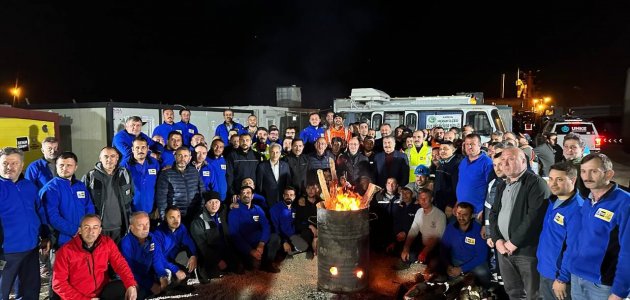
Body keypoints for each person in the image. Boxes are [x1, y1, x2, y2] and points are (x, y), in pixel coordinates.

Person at [489, 146, 550, 300]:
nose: (505, 163)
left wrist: (513, 243)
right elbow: (494, 213)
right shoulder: (503, 184)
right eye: (502, 160)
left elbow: (534, 217)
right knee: (513, 292)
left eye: (511, 159)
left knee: (533, 294)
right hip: (503, 251)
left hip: (526, 252)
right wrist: (498, 240)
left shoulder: (536, 183)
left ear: (524, 161)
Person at [566, 153, 629, 300]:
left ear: (609, 174)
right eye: (583, 171)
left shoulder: (624, 204)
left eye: (594, 171)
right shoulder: (588, 200)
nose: (587, 176)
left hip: (603, 285)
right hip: (577, 277)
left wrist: (620, 291)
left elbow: (628, 251)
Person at [0, 147, 50, 300]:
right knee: (2, 292)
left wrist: (45, 235)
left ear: (22, 165)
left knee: (30, 291)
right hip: (6, 252)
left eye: (14, 163)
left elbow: (39, 211)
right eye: (5, 163)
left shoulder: (29, 186)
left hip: (30, 248)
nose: (10, 167)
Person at [52, 214, 137, 300]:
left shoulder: (107, 243)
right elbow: (58, 284)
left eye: (95, 227)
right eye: (86, 227)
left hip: (102, 292)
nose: (91, 231)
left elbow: (120, 264)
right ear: (80, 230)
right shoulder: (65, 251)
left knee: (129, 289)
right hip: (77, 296)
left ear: (100, 230)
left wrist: (130, 284)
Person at [536, 162, 584, 300]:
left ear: (573, 180)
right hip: (545, 270)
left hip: (560, 279)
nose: (553, 184)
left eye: (560, 179)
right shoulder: (553, 202)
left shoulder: (577, 210)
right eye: (551, 179)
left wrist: (562, 279)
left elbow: (573, 249)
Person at [121, 212, 185, 299]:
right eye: (140, 225)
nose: (145, 228)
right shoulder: (126, 243)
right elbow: (129, 271)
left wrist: (162, 276)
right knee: (137, 293)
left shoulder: (151, 237)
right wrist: (150, 285)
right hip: (134, 277)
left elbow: (157, 258)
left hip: (148, 274)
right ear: (131, 228)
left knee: (172, 278)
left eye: (147, 224)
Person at [40, 151, 96, 249]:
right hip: (62, 240)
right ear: (56, 166)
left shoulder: (80, 185)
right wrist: (75, 230)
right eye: (61, 165)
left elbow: (89, 208)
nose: (65, 168)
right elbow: (52, 217)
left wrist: (88, 228)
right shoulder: (50, 189)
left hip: (83, 237)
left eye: (69, 165)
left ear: (75, 167)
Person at [82, 147, 133, 244]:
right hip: (99, 229)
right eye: (106, 156)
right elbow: (84, 202)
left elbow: (131, 195)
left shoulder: (124, 174)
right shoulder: (90, 176)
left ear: (117, 158)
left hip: (120, 227)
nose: (109, 160)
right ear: (100, 158)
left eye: (112, 156)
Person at [190, 191, 243, 281]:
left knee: (239, 268)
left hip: (224, 250)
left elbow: (228, 206)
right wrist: (217, 260)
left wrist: (231, 206)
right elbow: (202, 246)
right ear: (205, 204)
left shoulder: (221, 213)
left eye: (216, 202)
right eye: (210, 202)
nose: (214, 205)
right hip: (209, 254)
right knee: (213, 275)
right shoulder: (198, 221)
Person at [228, 186, 281, 273]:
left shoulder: (258, 209)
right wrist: (250, 251)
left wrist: (262, 243)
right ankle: (250, 260)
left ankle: (267, 264)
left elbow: (266, 226)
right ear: (239, 196)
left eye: (248, 193)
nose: (245, 195)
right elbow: (235, 235)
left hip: (258, 241)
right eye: (243, 193)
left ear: (252, 196)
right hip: (245, 244)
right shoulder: (234, 212)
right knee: (250, 266)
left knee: (275, 238)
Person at [440, 202, 490, 288]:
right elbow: (443, 249)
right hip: (456, 261)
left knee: (483, 273)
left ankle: (488, 291)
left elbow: (482, 256)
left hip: (475, 263)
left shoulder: (478, 230)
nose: (461, 217)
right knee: (453, 284)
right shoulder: (450, 227)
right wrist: (448, 265)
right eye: (459, 213)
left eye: (465, 214)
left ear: (471, 216)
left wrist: (461, 269)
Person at [399, 188, 446, 269]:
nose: (423, 200)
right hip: (423, 245)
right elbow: (413, 231)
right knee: (408, 256)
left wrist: (425, 252)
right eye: (421, 198)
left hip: (436, 248)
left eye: (425, 198)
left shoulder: (440, 215)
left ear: (431, 199)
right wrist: (406, 248)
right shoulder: (419, 212)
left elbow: (437, 237)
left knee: (433, 265)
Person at [155, 147, 205, 224]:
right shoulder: (166, 174)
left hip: (193, 215)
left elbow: (202, 191)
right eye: (180, 155)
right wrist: (164, 216)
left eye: (185, 156)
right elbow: (161, 197)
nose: (183, 158)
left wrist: (201, 210)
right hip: (174, 217)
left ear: (190, 158)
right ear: (175, 156)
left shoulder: (194, 172)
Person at [153, 207, 198, 282]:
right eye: (172, 217)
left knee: (189, 264)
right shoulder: (158, 234)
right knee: (168, 280)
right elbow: (158, 258)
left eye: (178, 216)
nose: (176, 220)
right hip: (161, 262)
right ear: (165, 218)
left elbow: (189, 242)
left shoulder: (181, 228)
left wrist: (193, 255)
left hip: (172, 258)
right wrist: (175, 270)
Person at [456, 134, 494, 220]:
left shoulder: (487, 163)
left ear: (480, 145)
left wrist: (485, 210)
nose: (469, 147)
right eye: (467, 144)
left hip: (478, 212)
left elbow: (492, 188)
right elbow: (461, 184)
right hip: (461, 210)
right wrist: (457, 203)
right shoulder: (463, 162)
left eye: (472, 144)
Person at [120, 136, 160, 214]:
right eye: (137, 147)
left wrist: (157, 207)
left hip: (151, 210)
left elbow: (158, 186)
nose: (140, 150)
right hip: (132, 211)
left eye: (143, 147)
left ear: (148, 148)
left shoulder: (154, 163)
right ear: (132, 149)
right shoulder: (125, 166)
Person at [256, 143, 291, 208]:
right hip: (267, 200)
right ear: (269, 152)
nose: (275, 155)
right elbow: (259, 185)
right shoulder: (262, 166)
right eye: (272, 152)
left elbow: (288, 183)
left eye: (277, 152)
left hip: (282, 200)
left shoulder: (285, 165)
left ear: (280, 154)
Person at [433, 141, 463, 217]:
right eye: (440, 149)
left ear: (453, 150)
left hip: (449, 206)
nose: (442, 151)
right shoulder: (442, 163)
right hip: (439, 202)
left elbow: (457, 187)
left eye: (445, 149)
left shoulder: (456, 164)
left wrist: (451, 204)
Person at [388, 187, 421, 256]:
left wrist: (405, 232)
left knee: (412, 256)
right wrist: (394, 240)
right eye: (402, 193)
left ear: (412, 194)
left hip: (412, 239)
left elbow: (417, 225)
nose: (404, 195)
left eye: (407, 193)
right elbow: (395, 223)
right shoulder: (398, 207)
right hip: (399, 238)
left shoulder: (417, 207)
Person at [293, 183, 324, 259]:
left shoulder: (321, 202)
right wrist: (310, 226)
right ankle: (309, 250)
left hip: (320, 227)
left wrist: (317, 234)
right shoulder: (301, 202)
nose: (310, 191)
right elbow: (297, 221)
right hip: (306, 228)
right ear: (306, 190)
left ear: (317, 190)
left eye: (313, 188)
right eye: (308, 188)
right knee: (305, 232)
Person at [269, 187, 301, 258]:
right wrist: (284, 242)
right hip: (281, 238)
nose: (289, 197)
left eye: (291, 195)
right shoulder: (275, 209)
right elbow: (275, 228)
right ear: (283, 196)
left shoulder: (295, 209)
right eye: (287, 195)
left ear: (294, 197)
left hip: (292, 237)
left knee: (304, 247)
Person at [371, 178, 401, 250]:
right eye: (388, 183)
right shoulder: (378, 196)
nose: (391, 185)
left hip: (395, 227)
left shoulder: (401, 197)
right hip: (381, 227)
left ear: (397, 186)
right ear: (385, 185)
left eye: (393, 183)